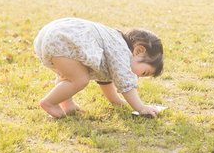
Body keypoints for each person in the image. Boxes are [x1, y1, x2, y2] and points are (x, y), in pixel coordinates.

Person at [33, 17, 164, 119]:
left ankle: (67, 104)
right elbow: (126, 83)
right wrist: (141, 108)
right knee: (79, 79)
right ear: (139, 51)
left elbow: (105, 81)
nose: (136, 77)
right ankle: (49, 103)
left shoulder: (113, 44)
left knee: (69, 76)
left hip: (51, 34)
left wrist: (116, 101)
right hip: (64, 37)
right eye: (143, 72)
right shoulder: (122, 51)